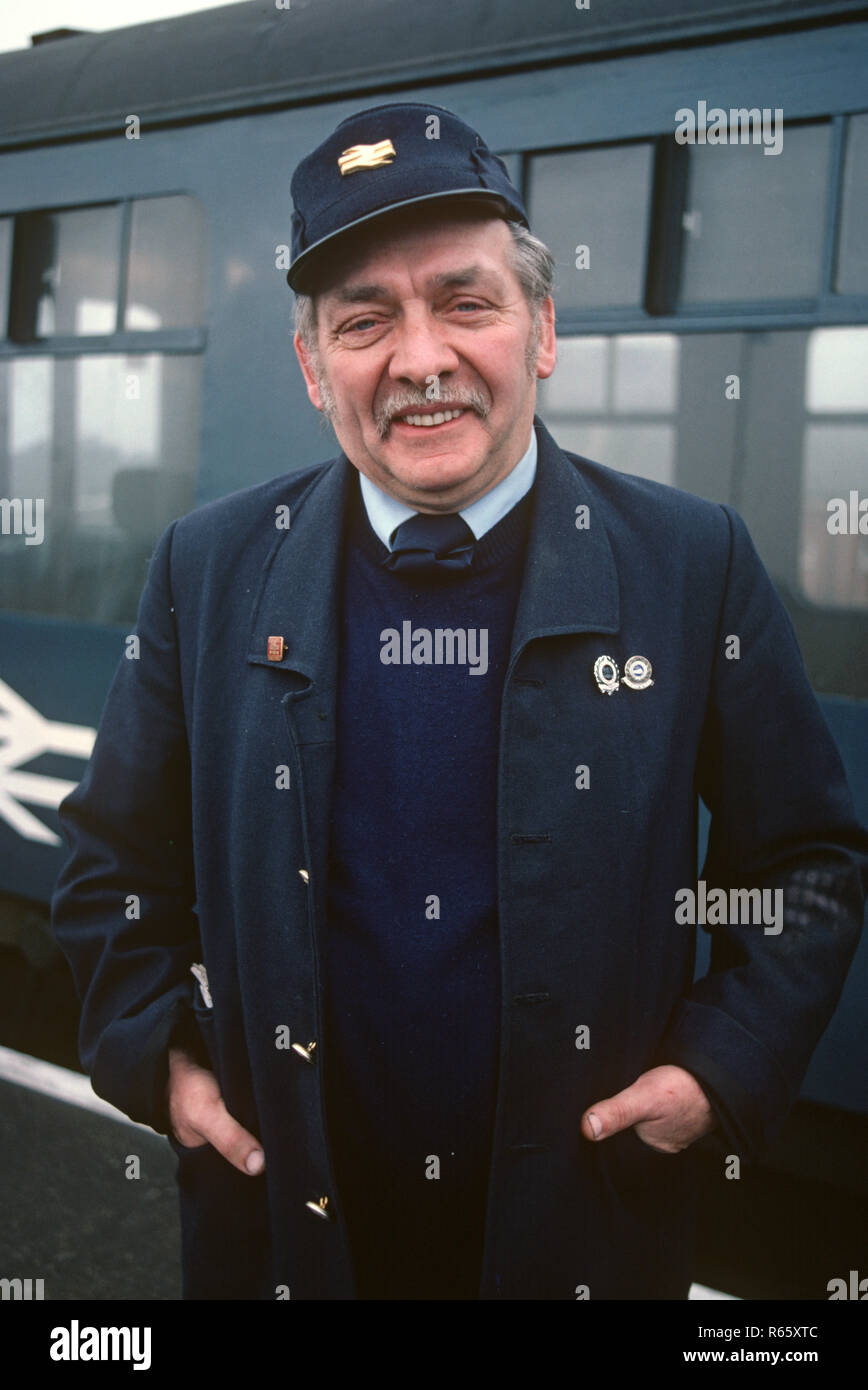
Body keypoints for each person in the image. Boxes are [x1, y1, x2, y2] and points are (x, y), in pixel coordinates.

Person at [51, 102, 868, 1301]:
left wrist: (717, 1068)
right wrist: (158, 1057)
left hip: (577, 1223)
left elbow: (805, 856)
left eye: (465, 302)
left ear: (542, 329)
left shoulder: (693, 564)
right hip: (286, 1216)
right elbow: (112, 857)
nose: (419, 357)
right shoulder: (208, 564)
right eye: (364, 320)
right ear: (310, 363)